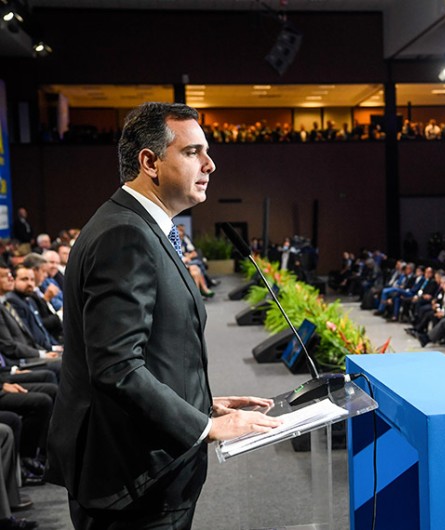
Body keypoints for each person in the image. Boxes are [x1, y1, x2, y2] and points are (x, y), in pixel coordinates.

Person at [46, 102, 282, 529]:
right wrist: (203, 428)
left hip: (142, 470)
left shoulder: (138, 227)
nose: (210, 164)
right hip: (133, 483)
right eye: (193, 152)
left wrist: (200, 404)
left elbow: (149, 348)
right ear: (150, 162)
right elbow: (116, 367)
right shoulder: (125, 234)